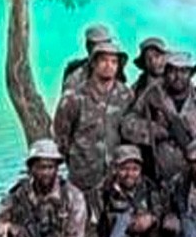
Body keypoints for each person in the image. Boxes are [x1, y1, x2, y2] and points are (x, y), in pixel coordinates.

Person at [53, 41, 135, 205]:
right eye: (104, 60)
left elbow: (129, 133)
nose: (109, 66)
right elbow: (61, 137)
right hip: (83, 178)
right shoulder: (74, 97)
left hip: (117, 177)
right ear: (94, 64)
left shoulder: (126, 95)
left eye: (114, 62)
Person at [122, 52, 196, 182]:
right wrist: (157, 131)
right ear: (165, 73)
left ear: (191, 74)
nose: (178, 77)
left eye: (183, 71)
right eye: (173, 71)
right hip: (158, 180)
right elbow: (127, 125)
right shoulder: (152, 95)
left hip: (194, 183)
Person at [62, 24, 128, 92]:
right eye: (99, 45)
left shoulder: (116, 70)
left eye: (107, 43)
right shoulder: (75, 73)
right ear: (88, 46)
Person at [130, 37, 168, 101]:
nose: (153, 61)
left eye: (157, 56)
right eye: (148, 58)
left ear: (165, 57)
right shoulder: (137, 88)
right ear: (144, 63)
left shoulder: (176, 82)